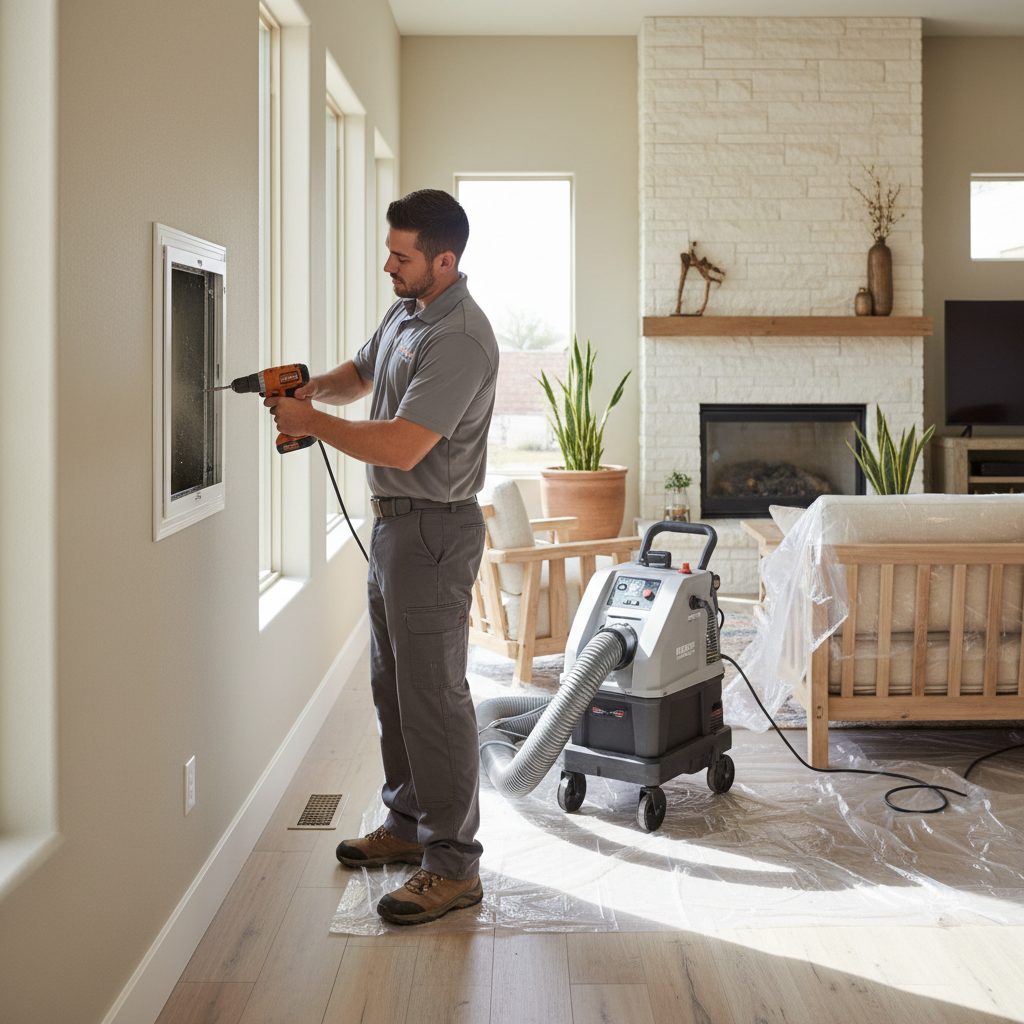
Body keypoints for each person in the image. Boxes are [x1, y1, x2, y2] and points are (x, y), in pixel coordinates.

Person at [265, 189, 498, 926]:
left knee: (434, 696)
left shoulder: (459, 335)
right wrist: (311, 387)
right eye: (389, 251)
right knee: (394, 687)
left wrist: (314, 423)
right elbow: (362, 373)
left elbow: (401, 442)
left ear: (444, 260)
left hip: (434, 530)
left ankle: (454, 865)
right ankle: (405, 827)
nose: (387, 265)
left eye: (400, 256)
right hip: (396, 527)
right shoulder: (408, 310)